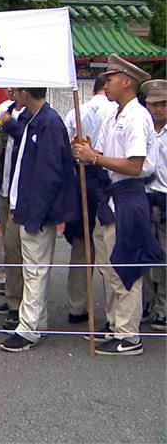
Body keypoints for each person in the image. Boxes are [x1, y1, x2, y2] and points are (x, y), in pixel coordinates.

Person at [72, 55, 162, 356]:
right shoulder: (115, 114)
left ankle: (128, 334)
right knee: (109, 266)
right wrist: (89, 150)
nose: (105, 83)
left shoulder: (136, 116)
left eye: (109, 78)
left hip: (129, 196)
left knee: (125, 265)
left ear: (126, 81)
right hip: (112, 195)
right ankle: (115, 325)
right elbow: (111, 155)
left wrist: (94, 158)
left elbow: (135, 164)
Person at [0, 88, 77, 352]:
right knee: (33, 267)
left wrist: (34, 213)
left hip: (37, 212)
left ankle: (29, 328)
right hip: (27, 207)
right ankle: (35, 322)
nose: (11, 95)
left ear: (25, 92)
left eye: (15, 90)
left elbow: (49, 175)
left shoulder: (49, 122)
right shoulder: (35, 119)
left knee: (35, 269)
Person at [62, 74, 117, 323]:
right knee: (108, 246)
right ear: (106, 87)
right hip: (107, 177)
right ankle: (111, 312)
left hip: (81, 177)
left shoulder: (75, 112)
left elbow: (66, 148)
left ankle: (78, 305)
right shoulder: (117, 111)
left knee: (81, 245)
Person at [0, 89, 32, 330]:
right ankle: (13, 298)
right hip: (4, 187)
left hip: (20, 193)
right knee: (8, 246)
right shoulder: (6, 110)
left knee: (17, 248)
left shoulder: (29, 116)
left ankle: (20, 304)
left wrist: (9, 125)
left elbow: (27, 137)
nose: (12, 91)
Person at [140, 78, 166, 331]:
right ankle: (146, 303)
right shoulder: (144, 127)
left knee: (166, 257)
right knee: (144, 255)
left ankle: (164, 307)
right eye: (153, 104)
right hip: (144, 197)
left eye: (163, 104)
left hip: (165, 198)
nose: (157, 110)